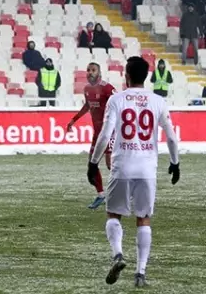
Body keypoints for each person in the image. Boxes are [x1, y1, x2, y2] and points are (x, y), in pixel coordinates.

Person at [87, 56, 180, 287]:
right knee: (144, 218)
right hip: (147, 167)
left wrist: (93, 162)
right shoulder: (158, 101)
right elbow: (171, 136)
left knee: (113, 215)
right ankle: (140, 274)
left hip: (122, 165)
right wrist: (175, 162)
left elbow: (105, 135)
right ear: (146, 76)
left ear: (126, 76)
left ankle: (118, 254)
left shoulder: (117, 99)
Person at [66, 63, 116, 209]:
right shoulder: (87, 89)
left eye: (93, 70)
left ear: (99, 72)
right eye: (88, 70)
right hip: (97, 133)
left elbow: (120, 102)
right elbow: (87, 106)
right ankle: (101, 195)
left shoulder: (107, 88)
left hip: (110, 131)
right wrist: (74, 120)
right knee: (92, 165)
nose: (90, 73)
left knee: (110, 165)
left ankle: (128, 190)